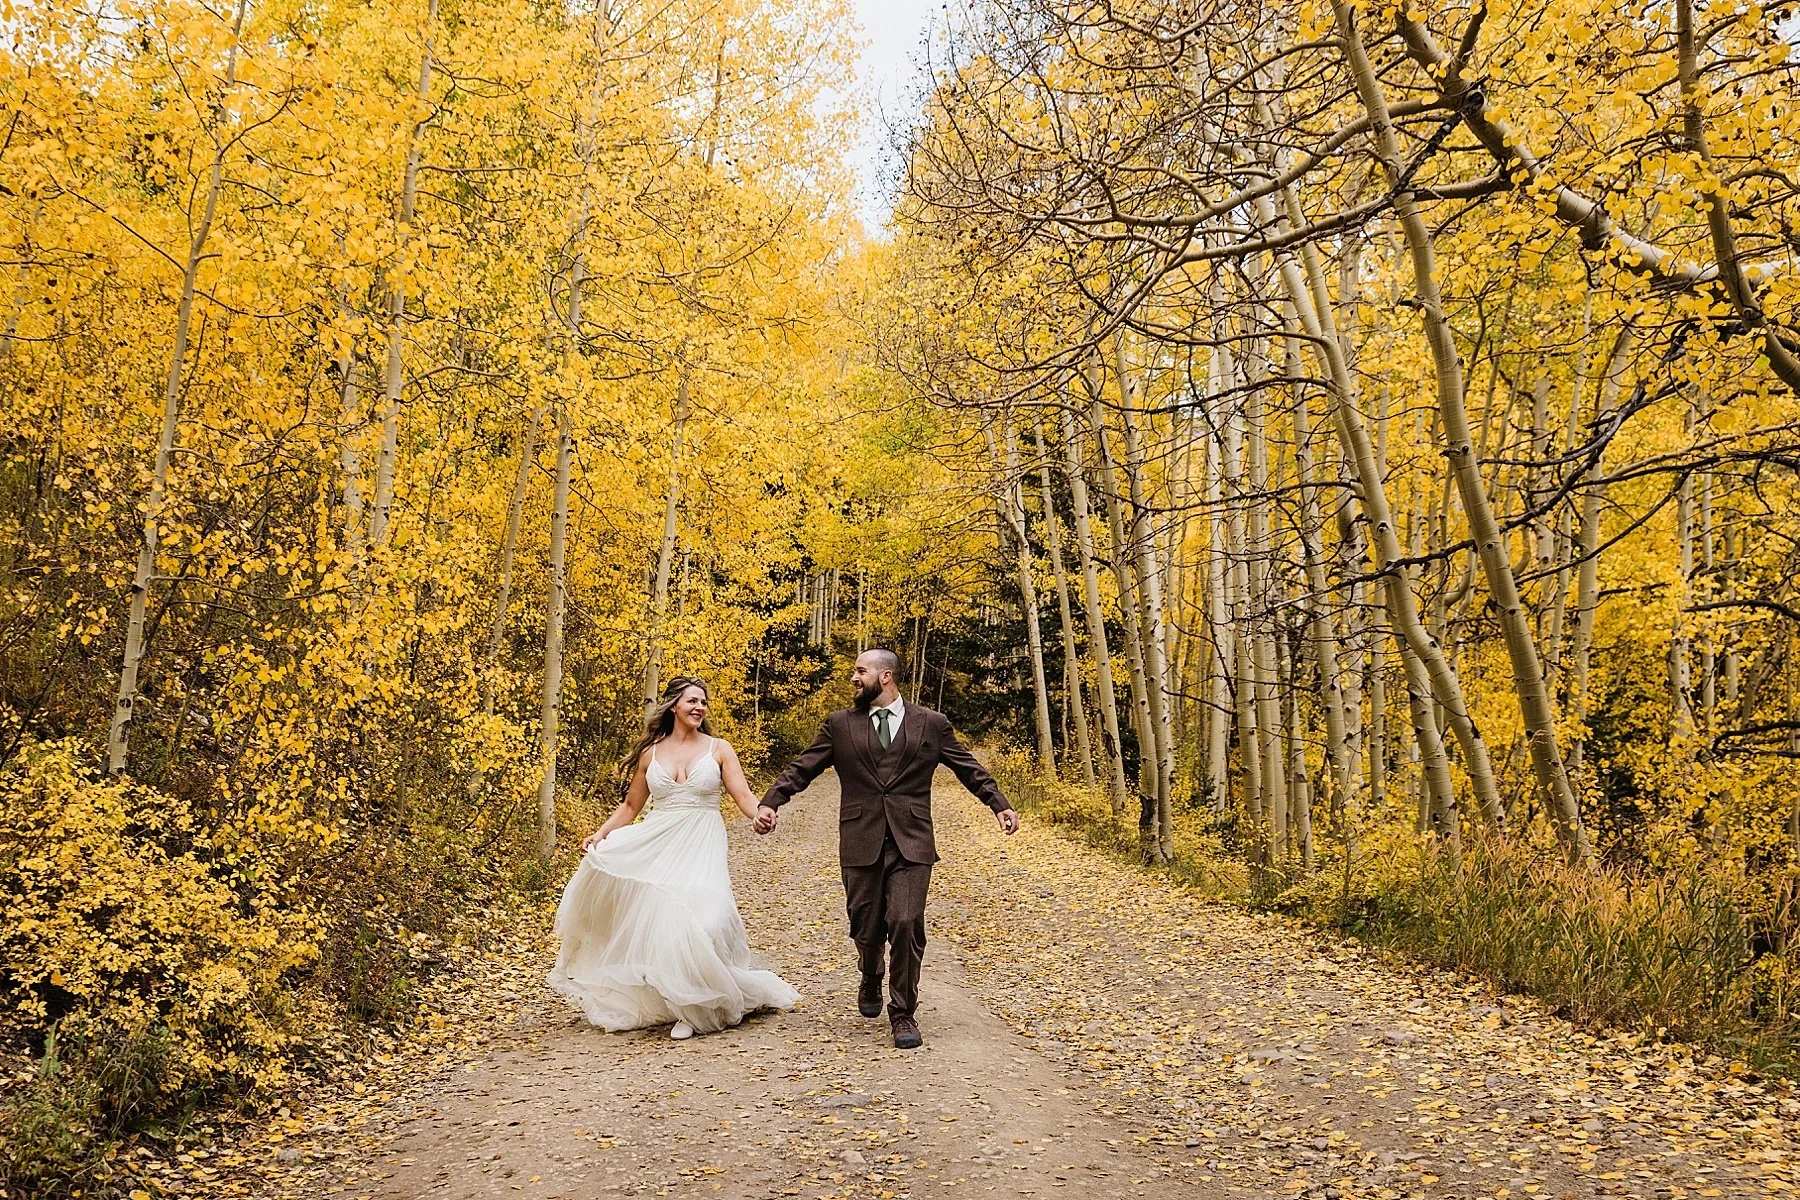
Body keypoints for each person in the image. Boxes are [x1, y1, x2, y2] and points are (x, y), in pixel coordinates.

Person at [755, 648, 1017, 1049]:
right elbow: (802, 768)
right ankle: (870, 968)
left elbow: (968, 767)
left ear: (886, 676)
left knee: (907, 921)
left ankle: (903, 1013)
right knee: (866, 926)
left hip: (912, 840)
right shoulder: (840, 725)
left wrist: (998, 804)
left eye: (861, 671)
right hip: (861, 838)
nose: (854, 678)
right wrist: (772, 801)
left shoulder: (931, 724)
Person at [548, 676, 798, 1039]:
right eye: (692, 701)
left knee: (708, 920)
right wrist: (601, 834)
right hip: (659, 843)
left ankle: (704, 998)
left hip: (701, 843)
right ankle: (685, 1007)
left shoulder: (719, 749)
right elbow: (631, 806)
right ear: (673, 707)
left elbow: (743, 796)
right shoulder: (651, 753)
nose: (699, 707)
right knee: (667, 926)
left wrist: (759, 814)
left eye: (703, 702)